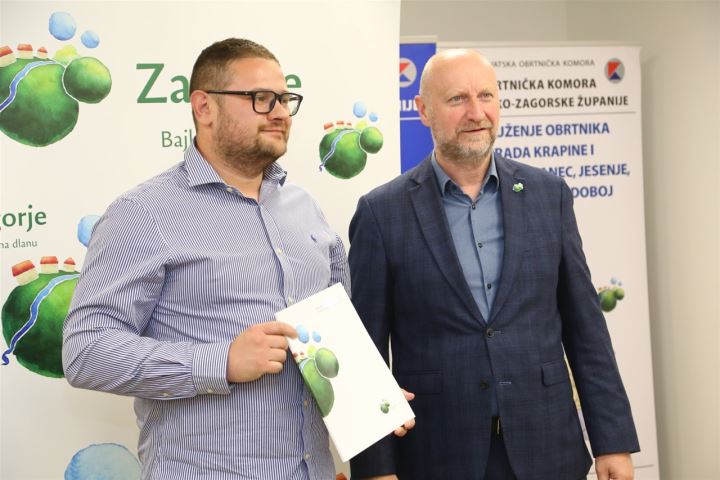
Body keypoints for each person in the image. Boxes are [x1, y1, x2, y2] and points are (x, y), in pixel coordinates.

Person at [63, 38, 413, 480]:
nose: (280, 112)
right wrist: (221, 361)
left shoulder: (305, 207)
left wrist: (365, 391)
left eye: (285, 99)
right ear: (204, 107)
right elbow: (85, 350)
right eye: (261, 98)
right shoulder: (143, 213)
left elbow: (334, 331)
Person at [348, 49, 640, 480]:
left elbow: (587, 331)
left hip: (549, 448)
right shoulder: (381, 213)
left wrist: (612, 441)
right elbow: (364, 354)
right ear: (423, 110)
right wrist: (375, 468)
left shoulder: (549, 196)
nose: (476, 112)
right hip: (437, 455)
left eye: (485, 95)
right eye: (457, 99)